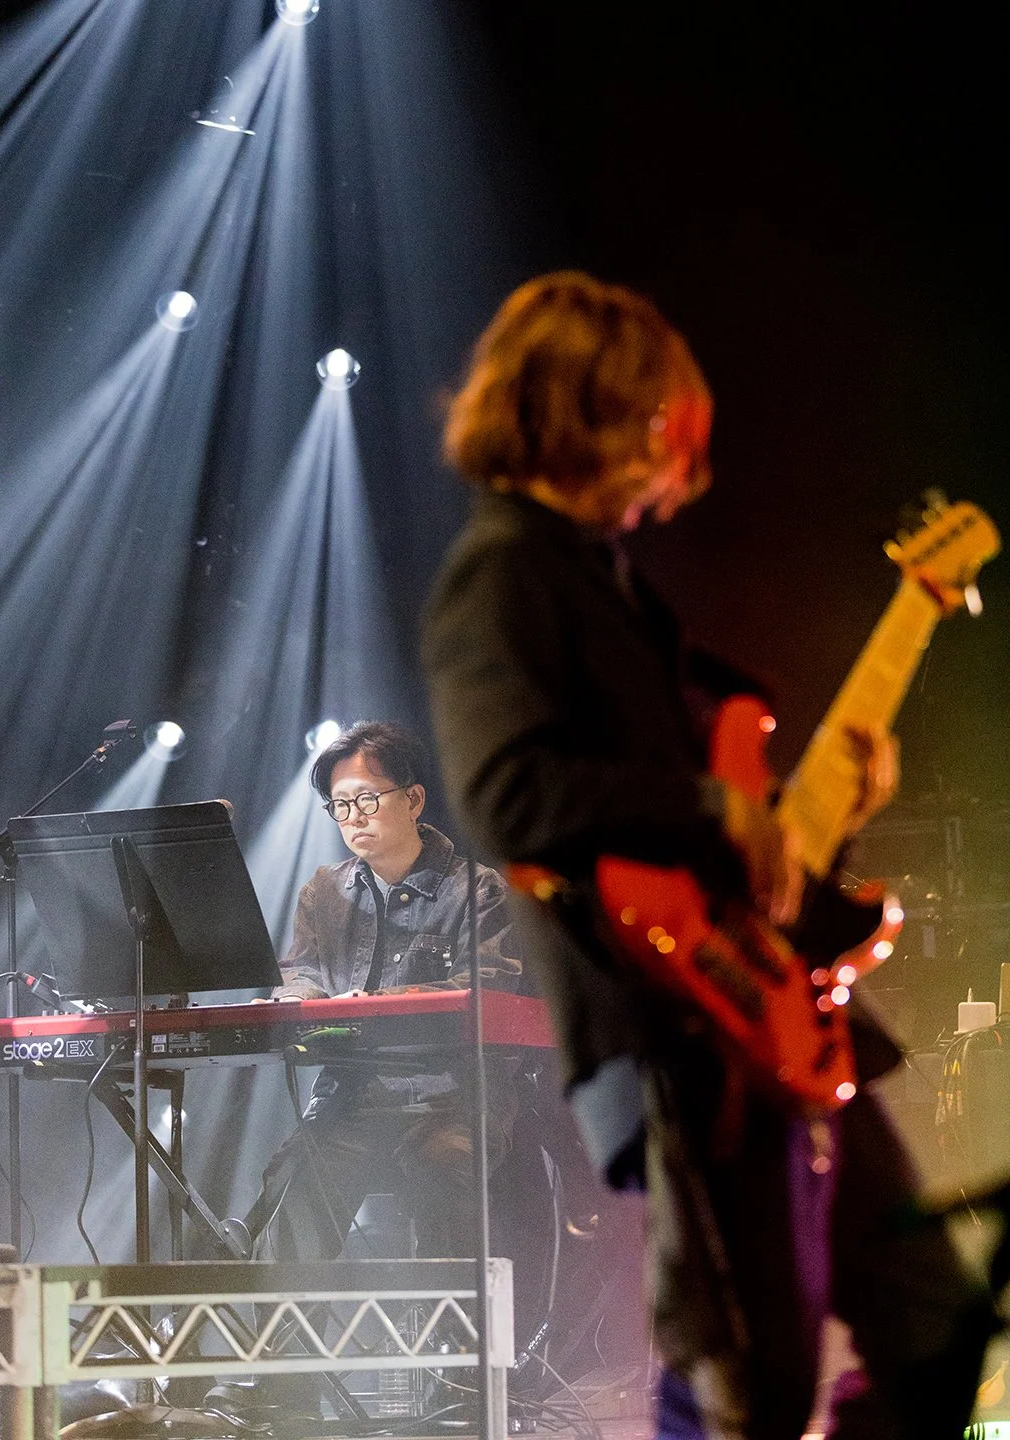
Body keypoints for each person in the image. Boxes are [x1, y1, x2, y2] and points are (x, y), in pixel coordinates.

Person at [420, 271, 997, 1439]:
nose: (675, 470)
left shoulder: (610, 584)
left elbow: (707, 815)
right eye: (654, 430)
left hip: (771, 1016)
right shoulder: (502, 574)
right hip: (671, 1032)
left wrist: (796, 809)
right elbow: (506, 796)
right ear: (581, 409)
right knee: (751, 1384)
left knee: (934, 1326)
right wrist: (712, 808)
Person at [243, 720, 521, 1268]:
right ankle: (292, 1350)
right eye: (340, 805)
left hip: (453, 1099)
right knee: (292, 1181)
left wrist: (366, 1007)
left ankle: (454, 1348)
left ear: (414, 798)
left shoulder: (478, 889)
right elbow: (304, 974)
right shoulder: (324, 892)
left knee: (443, 1171)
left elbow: (487, 987)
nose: (354, 817)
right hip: (351, 1101)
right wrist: (289, 1000)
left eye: (367, 798)